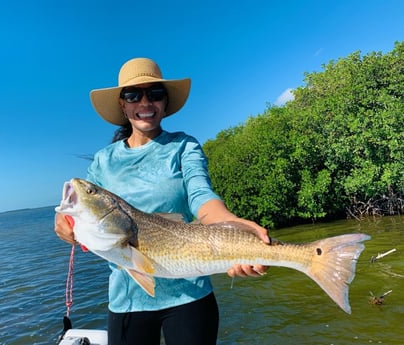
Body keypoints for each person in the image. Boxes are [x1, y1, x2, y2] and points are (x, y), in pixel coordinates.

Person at [55, 57, 270, 345]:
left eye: (155, 94)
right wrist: (64, 222)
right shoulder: (103, 162)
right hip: (127, 302)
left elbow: (201, 195)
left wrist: (229, 223)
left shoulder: (184, 146)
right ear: (122, 104)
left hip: (190, 297)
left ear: (165, 102)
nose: (145, 102)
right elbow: (85, 213)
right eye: (133, 95)